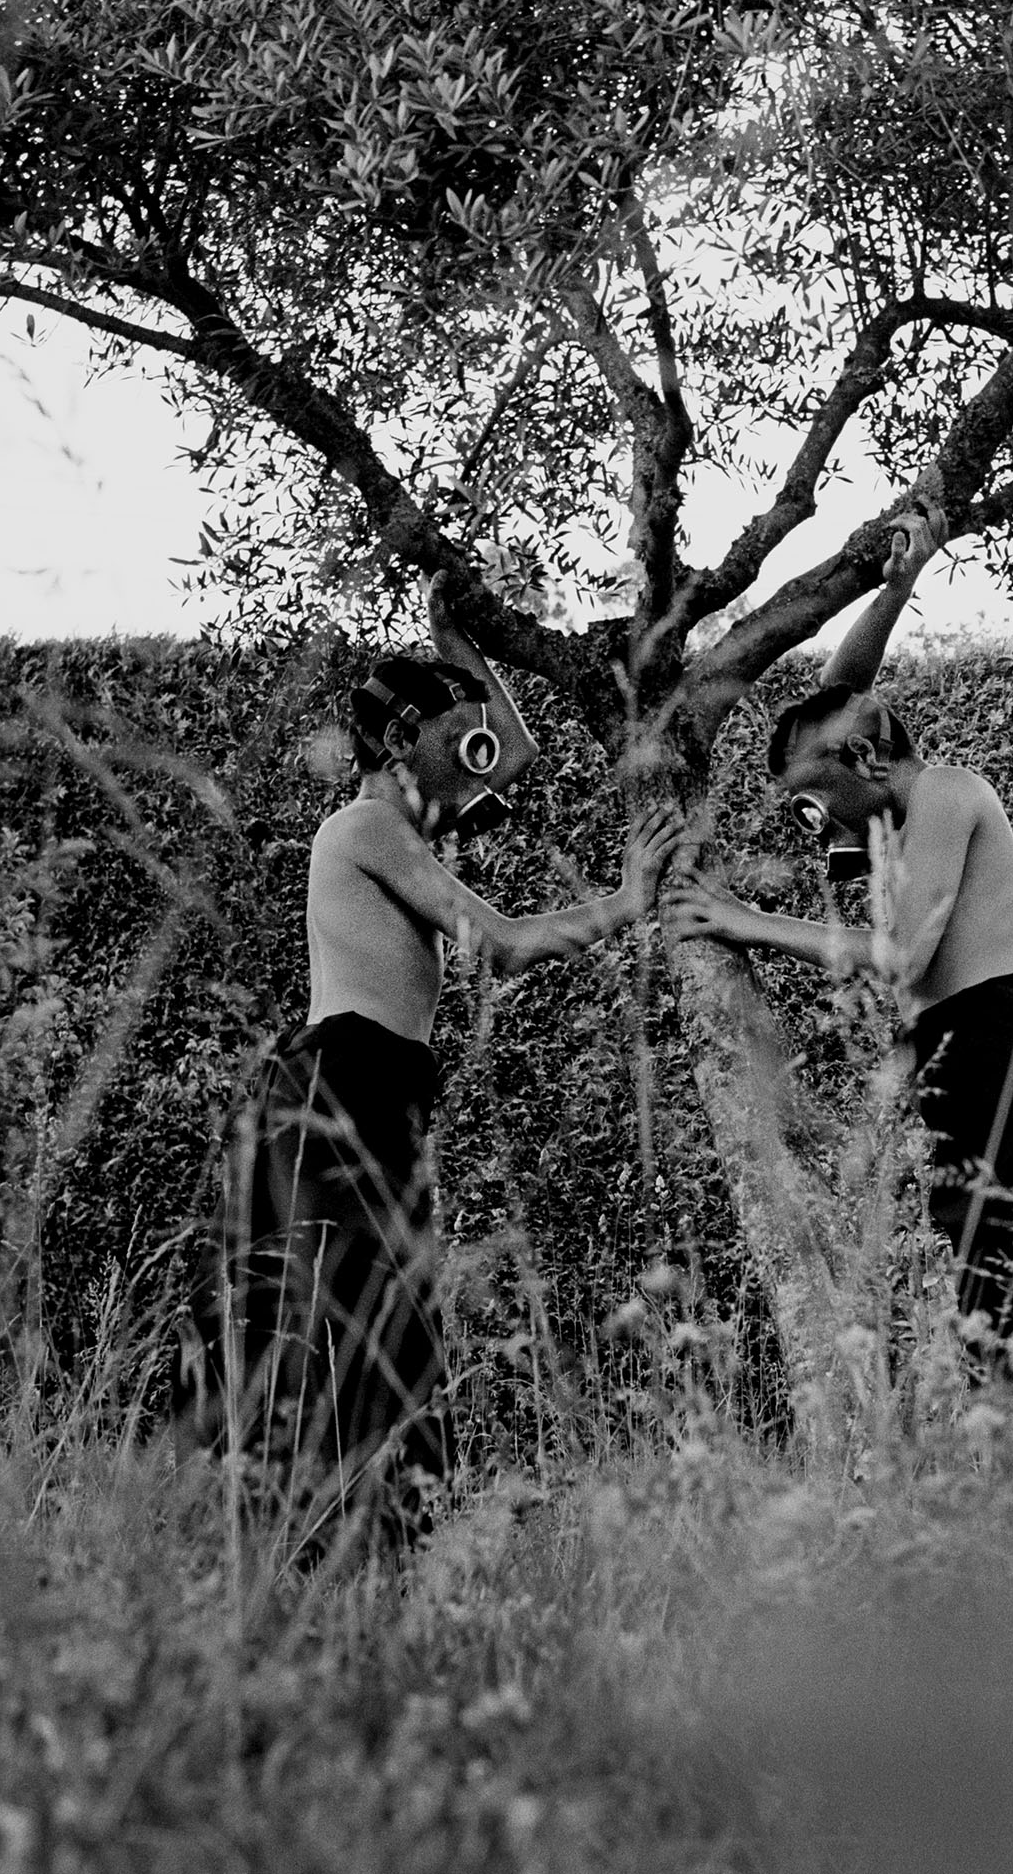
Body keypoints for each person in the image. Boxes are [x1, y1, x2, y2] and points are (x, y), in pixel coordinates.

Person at [205, 575, 680, 1541]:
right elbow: (499, 943)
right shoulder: (366, 825)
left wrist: (452, 635)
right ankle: (328, 1534)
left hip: (378, 1084)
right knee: (352, 1318)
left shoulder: (405, 825)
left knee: (385, 1315)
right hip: (341, 1082)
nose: (477, 751)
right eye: (454, 733)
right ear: (397, 742)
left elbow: (517, 749)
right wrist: (629, 900)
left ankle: (369, 1536)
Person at [662, 481, 1013, 1345]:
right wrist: (896, 591)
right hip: (952, 1054)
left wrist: (744, 921)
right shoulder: (883, 799)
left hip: (1011, 1046)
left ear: (863, 757)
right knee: (995, 1291)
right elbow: (838, 695)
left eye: (817, 802)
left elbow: (904, 955)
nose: (821, 826)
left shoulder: (945, 791)